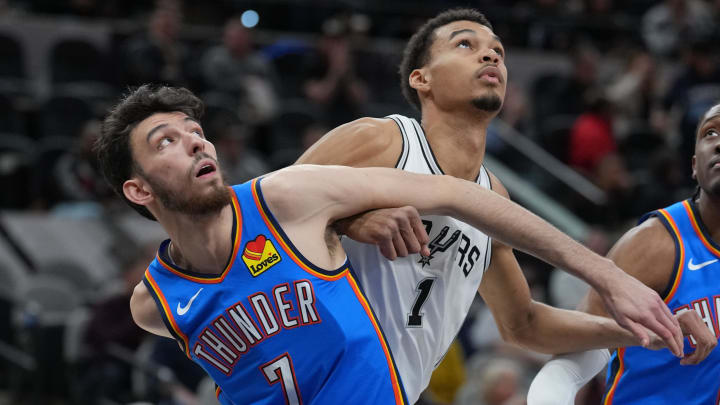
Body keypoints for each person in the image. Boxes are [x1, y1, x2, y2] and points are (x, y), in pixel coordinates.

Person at [94, 85, 684, 405]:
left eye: (197, 133)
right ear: (137, 187)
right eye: (167, 140)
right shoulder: (154, 306)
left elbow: (465, 198)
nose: (196, 144)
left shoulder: (283, 199)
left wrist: (610, 279)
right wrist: (355, 220)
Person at [296, 8, 690, 403]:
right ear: (422, 78)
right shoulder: (383, 139)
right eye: (465, 44)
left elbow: (524, 324)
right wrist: (350, 221)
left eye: (498, 51)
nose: (491, 56)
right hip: (302, 380)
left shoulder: (493, 196)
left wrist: (645, 332)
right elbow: (259, 215)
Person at [527, 103, 720, 405]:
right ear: (695, 165)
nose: (719, 142)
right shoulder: (656, 243)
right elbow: (575, 352)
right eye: (710, 133)